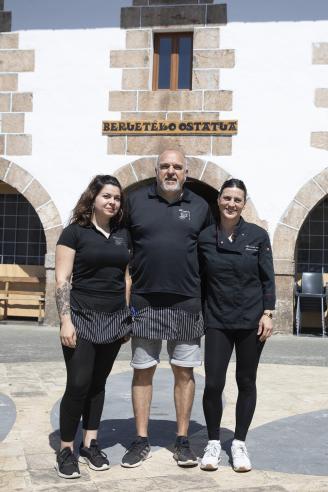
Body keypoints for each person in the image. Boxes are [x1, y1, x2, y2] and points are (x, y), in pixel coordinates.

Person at [121, 149, 213, 468]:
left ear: (186, 172)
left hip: (187, 303)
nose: (171, 171)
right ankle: (141, 440)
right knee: (142, 371)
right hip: (145, 304)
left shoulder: (201, 207)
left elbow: (210, 258)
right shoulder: (135, 202)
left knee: (184, 373)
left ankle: (183, 441)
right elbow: (121, 252)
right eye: (165, 166)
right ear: (155, 170)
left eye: (177, 167)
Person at [54, 175, 131, 479]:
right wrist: (65, 321)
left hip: (113, 319)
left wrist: (126, 317)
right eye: (107, 196)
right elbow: (62, 280)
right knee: (78, 384)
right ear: (93, 198)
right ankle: (66, 449)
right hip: (81, 318)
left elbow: (126, 278)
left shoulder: (123, 235)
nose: (112, 202)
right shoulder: (74, 233)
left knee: (98, 385)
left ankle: (90, 443)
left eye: (117, 198)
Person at [198, 178, 275, 473]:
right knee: (214, 383)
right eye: (227, 198)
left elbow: (268, 278)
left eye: (237, 200)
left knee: (246, 381)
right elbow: (198, 278)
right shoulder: (205, 237)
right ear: (219, 200)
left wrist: (268, 313)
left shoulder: (257, 236)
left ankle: (239, 442)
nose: (231, 204)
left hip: (250, 321)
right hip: (217, 319)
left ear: (244, 204)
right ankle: (214, 441)